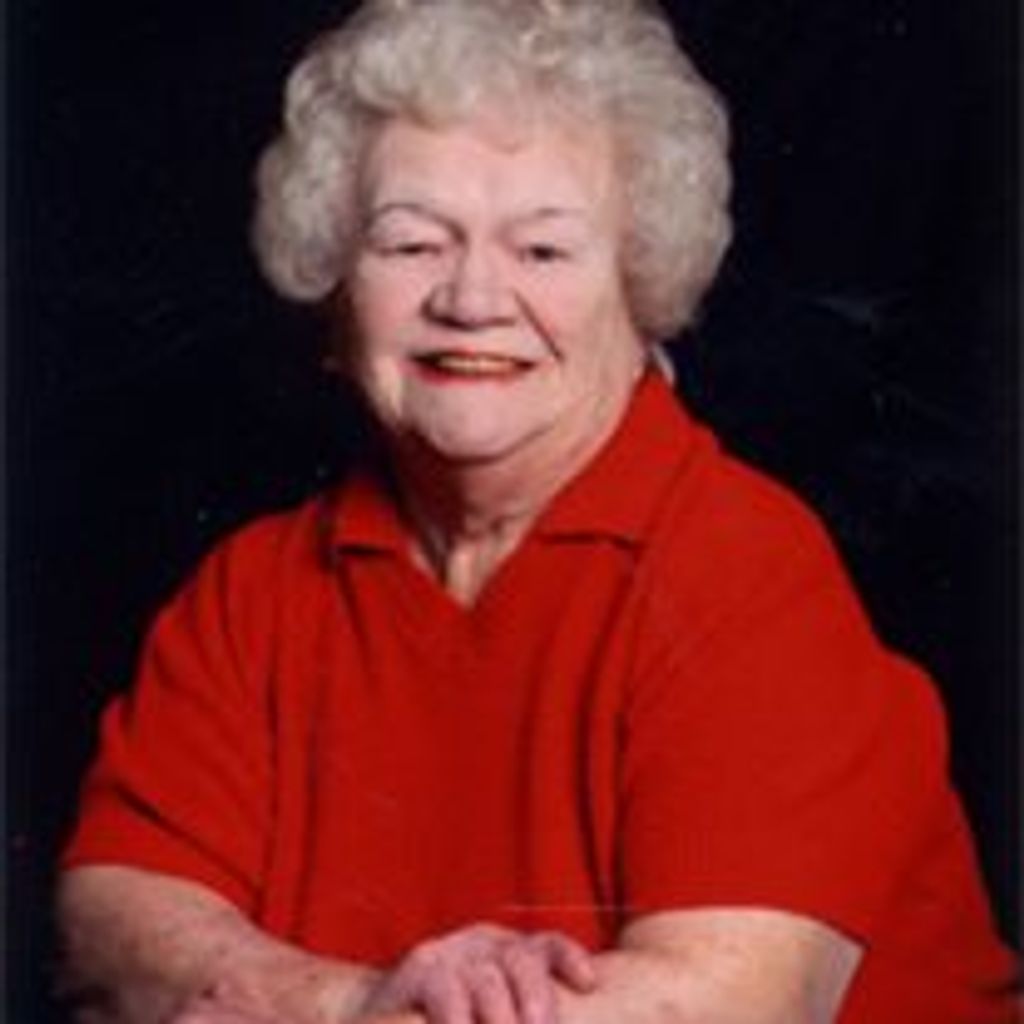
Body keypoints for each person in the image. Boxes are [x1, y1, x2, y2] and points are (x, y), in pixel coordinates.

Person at [57, 1, 1019, 1022]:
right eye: (410, 243)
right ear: (335, 282)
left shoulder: (744, 572)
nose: (472, 299)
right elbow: (109, 921)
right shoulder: (252, 590)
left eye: (544, 251)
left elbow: (726, 1002)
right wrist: (356, 1001)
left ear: (640, 287)